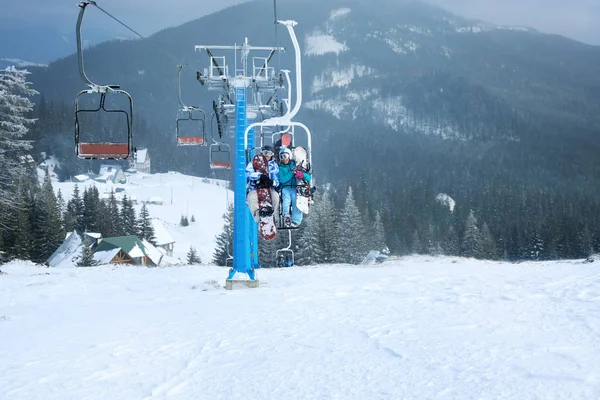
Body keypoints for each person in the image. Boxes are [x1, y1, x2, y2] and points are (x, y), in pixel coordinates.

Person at [278, 146, 312, 227]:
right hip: (285, 187)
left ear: (289, 156)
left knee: (296, 201)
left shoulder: (296, 165)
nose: (284, 159)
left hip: (295, 187)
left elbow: (309, 177)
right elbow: (282, 179)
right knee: (286, 199)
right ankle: (286, 215)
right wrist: (291, 173)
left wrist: (301, 174)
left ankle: (296, 219)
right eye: (281, 157)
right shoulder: (280, 168)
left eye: (285, 156)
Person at [246, 145, 280, 223]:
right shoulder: (254, 163)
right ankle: (258, 216)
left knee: (276, 197)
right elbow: (248, 173)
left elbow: (277, 179)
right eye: (265, 153)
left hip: (269, 189)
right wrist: (259, 176)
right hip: (256, 189)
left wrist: (272, 182)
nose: (267, 155)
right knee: (251, 198)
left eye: (270, 153)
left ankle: (271, 215)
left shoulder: (274, 166)